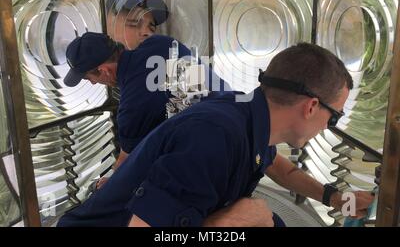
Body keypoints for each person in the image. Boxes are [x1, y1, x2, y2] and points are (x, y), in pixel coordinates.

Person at [58, 42, 374, 227]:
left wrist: (339, 200)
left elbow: (282, 169)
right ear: (311, 106)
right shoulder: (213, 138)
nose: (327, 127)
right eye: (333, 118)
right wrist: (236, 220)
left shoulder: (247, 113)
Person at [64, 32, 228, 189]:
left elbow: (127, 164)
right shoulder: (159, 42)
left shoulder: (132, 107)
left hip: (220, 155)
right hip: (238, 114)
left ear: (104, 70)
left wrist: (111, 182)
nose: (93, 83)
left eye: (88, 78)